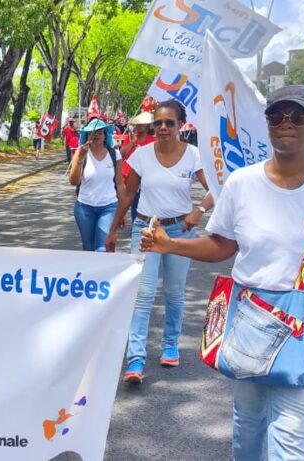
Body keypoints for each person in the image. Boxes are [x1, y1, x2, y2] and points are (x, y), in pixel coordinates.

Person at [141, 85, 304, 459]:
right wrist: (170, 245)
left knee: (289, 432)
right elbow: (223, 245)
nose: (286, 124)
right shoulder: (242, 183)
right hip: (249, 321)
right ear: (266, 124)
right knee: (247, 423)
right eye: (276, 116)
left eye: (298, 116)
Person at [105, 100, 213, 383]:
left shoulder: (194, 155)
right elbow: (128, 195)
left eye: (169, 122)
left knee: (174, 294)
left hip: (180, 232)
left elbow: (216, 190)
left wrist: (198, 211)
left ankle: (169, 346)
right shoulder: (141, 155)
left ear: (181, 125)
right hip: (147, 231)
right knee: (142, 296)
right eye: (158, 123)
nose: (163, 128)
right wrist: (113, 229)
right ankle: (136, 359)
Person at [68, 119, 123, 252]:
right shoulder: (81, 153)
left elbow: (120, 183)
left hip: (109, 207)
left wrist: (122, 212)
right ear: (86, 136)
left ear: (105, 135)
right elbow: (74, 181)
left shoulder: (114, 154)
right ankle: (92, 273)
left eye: (99, 132)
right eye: (91, 132)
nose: (96, 135)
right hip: (84, 208)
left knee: (102, 248)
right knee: (89, 248)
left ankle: (103, 273)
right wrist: (80, 158)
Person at [119, 111, 156, 224]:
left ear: (148, 126)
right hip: (130, 176)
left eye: (141, 124)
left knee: (146, 203)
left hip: (147, 177)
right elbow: (121, 154)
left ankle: (148, 225)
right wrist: (132, 143)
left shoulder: (153, 140)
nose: (138, 126)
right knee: (133, 201)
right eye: (137, 124)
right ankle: (136, 226)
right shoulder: (129, 138)